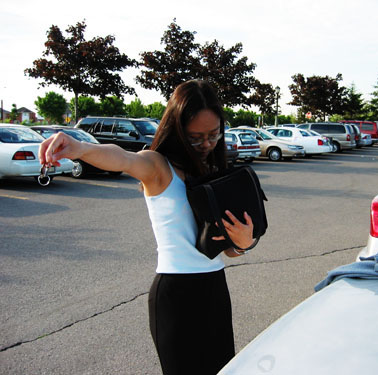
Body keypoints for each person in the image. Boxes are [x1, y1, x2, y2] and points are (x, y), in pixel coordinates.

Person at [38, 80, 255, 375]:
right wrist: (79, 148)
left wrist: (242, 243)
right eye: (195, 138)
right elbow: (122, 158)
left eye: (214, 135)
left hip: (215, 289)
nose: (206, 144)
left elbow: (228, 251)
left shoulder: (212, 171)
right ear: (177, 131)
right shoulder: (157, 167)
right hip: (176, 295)